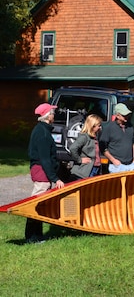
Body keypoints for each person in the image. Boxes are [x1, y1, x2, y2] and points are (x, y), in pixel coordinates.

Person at [26, 103, 65, 243]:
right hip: (41, 171)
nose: (54, 115)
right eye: (53, 113)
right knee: (36, 205)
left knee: (41, 205)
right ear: (48, 116)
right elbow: (44, 159)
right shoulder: (42, 133)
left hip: (42, 170)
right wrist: (55, 179)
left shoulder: (43, 130)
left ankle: (37, 235)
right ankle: (31, 237)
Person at [100, 103, 134, 173]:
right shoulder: (109, 127)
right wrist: (113, 160)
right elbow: (102, 147)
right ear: (117, 115)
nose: (126, 117)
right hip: (116, 166)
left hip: (131, 165)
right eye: (124, 115)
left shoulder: (130, 126)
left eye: (127, 115)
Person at [69, 114, 102, 180]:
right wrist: (79, 160)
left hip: (95, 169)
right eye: (99, 126)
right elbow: (72, 148)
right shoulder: (84, 137)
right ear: (93, 126)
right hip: (85, 171)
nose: (100, 128)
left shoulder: (95, 137)